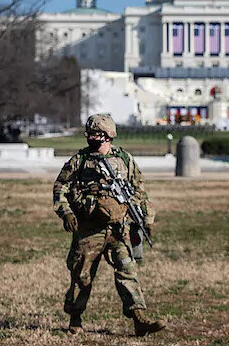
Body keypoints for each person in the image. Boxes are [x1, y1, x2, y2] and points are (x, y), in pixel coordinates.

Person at [52, 114, 166, 336]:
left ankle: (139, 318)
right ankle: (75, 319)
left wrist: (147, 218)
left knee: (127, 271)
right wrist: (65, 212)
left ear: (107, 136)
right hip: (89, 230)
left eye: (95, 134)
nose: (90, 138)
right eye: (89, 134)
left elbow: (140, 191)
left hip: (118, 229)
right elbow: (60, 187)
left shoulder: (125, 160)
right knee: (81, 276)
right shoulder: (80, 160)